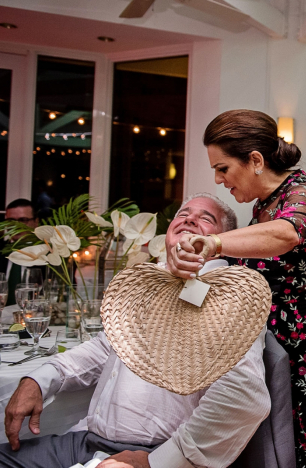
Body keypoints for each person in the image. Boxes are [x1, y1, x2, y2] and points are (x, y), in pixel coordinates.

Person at [1, 193, 272, 468]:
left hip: (150, 452)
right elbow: (102, 349)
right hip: (86, 441)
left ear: (223, 244)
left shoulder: (230, 298)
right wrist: (39, 379)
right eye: (183, 214)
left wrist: (157, 461)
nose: (189, 218)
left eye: (206, 219)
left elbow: (243, 395)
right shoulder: (146, 284)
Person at [168, 110, 306, 467]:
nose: (219, 181)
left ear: (256, 161)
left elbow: (286, 233)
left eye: (223, 169)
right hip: (278, 338)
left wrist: (214, 243)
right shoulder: (263, 206)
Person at [1, 199, 40, 305]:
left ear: (35, 222)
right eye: (11, 221)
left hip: (35, 317)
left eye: (23, 220)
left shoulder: (50, 255)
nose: (16, 225)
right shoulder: (1, 250)